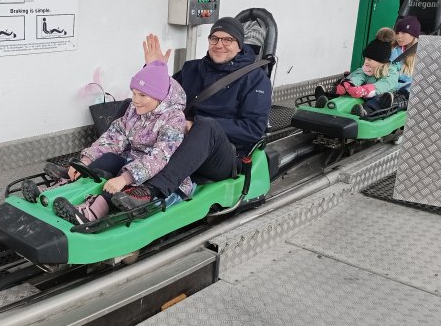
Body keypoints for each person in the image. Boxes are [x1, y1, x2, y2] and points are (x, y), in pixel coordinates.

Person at [110, 17, 272, 211]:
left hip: (222, 155)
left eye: (228, 40)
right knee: (133, 105)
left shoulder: (255, 79)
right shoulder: (192, 69)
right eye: (214, 38)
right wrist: (154, 69)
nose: (219, 44)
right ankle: (105, 161)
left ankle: (152, 190)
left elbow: (253, 129)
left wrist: (194, 125)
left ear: (239, 45)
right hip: (178, 141)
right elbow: (159, 97)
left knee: (206, 126)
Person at [21, 55, 192, 225]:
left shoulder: (174, 119)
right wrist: (85, 162)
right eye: (134, 93)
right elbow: (112, 139)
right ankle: (59, 190)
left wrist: (125, 178)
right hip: (132, 163)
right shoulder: (134, 110)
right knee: (109, 159)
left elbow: (159, 157)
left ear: (159, 97)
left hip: (159, 175)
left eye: (142, 95)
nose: (135, 100)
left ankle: (92, 212)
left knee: (120, 182)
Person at [321, 38, 398, 117]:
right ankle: (327, 101)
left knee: (376, 101)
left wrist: (366, 90)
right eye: (365, 59)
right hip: (363, 94)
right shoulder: (366, 69)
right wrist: (350, 84)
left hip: (379, 94)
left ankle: (365, 112)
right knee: (347, 94)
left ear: (380, 61)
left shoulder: (391, 72)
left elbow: (385, 84)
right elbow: (359, 76)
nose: (366, 62)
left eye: (369, 60)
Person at [381, 16, 420, 111]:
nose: (399, 36)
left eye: (403, 32)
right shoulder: (393, 49)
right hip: (388, 84)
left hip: (405, 92)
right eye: (397, 33)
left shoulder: (420, 53)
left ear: (414, 35)